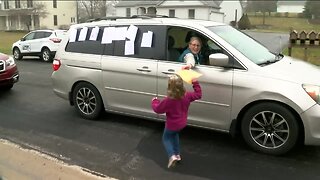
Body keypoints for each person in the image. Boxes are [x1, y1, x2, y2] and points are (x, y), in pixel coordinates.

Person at [151, 74, 202, 168]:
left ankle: (172, 156)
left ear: (169, 87)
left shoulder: (169, 100)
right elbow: (198, 94)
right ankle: (177, 155)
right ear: (182, 85)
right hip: (182, 123)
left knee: (166, 138)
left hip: (171, 125)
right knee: (174, 135)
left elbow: (158, 109)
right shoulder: (187, 95)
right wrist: (195, 82)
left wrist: (154, 101)